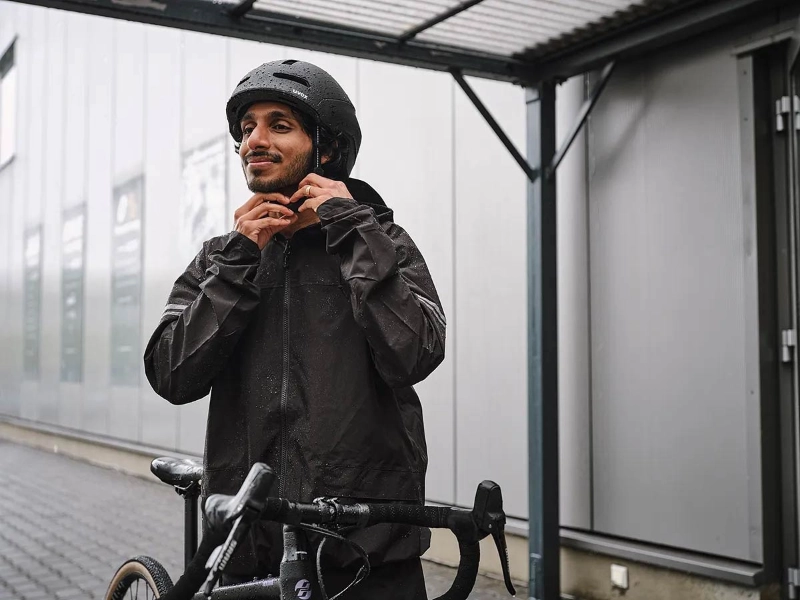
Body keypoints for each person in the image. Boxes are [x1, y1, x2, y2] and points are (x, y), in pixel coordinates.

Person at [144, 59, 446, 598]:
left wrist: (353, 228)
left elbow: (415, 353)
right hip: (247, 548)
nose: (252, 141)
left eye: (278, 125)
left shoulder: (385, 242)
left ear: (325, 149)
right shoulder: (222, 257)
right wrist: (240, 263)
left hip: (366, 553)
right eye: (245, 129)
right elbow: (172, 375)